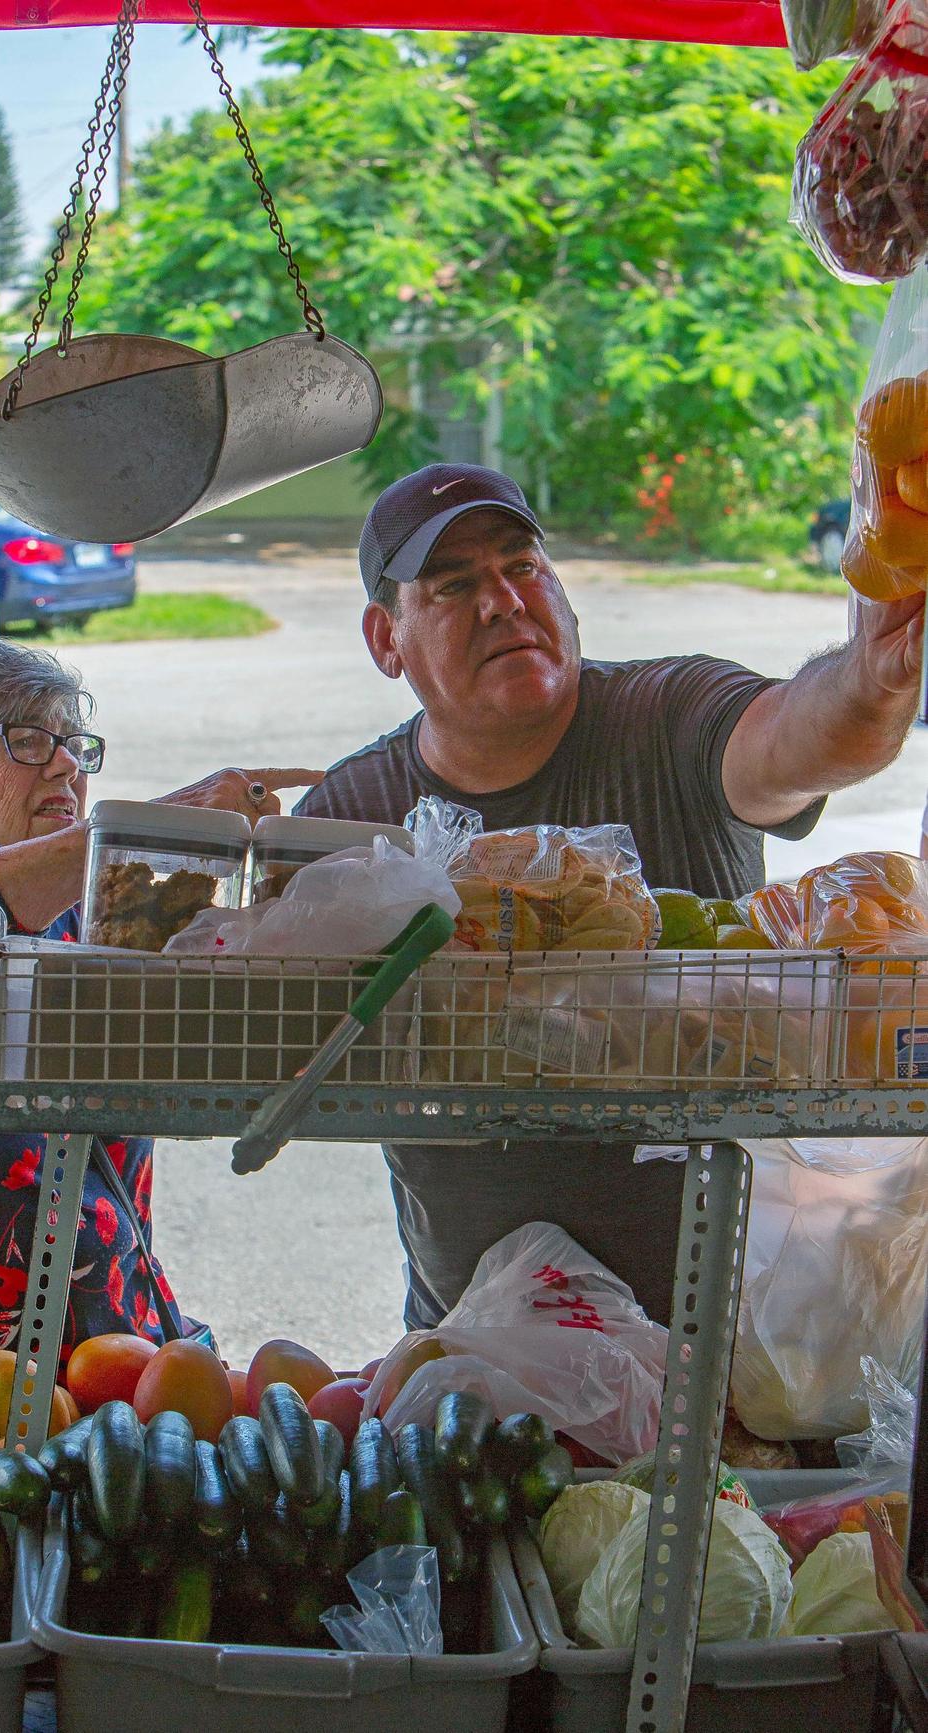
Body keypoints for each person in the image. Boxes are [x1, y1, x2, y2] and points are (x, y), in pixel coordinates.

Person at [296, 463, 923, 1328]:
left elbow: (795, 739)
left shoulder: (666, 715)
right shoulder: (355, 819)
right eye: (452, 585)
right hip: (474, 1346)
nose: (504, 601)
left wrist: (871, 677)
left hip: (726, 1350)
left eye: (523, 567)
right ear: (385, 639)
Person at [0, 638, 319, 1387]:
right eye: (28, 741)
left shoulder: (88, 921)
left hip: (103, 1355)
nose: (67, 765)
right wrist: (168, 817)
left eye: (73, 745)